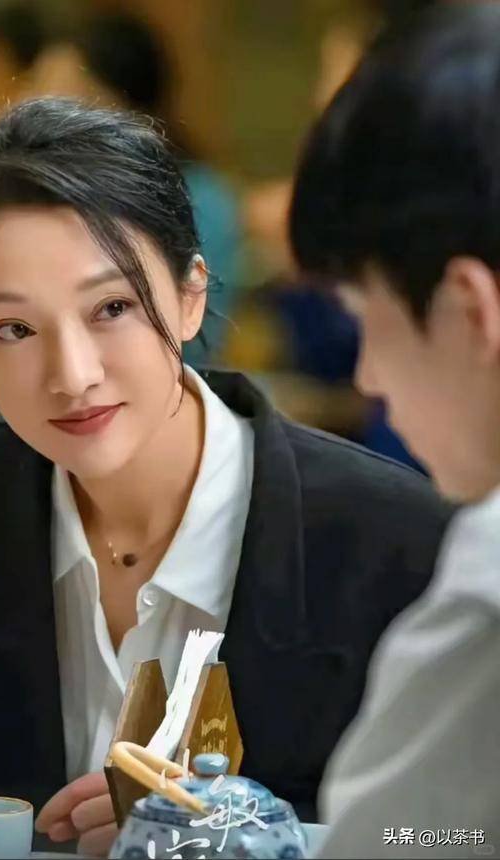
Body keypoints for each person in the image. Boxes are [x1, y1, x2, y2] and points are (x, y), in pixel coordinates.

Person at [0, 97, 452, 857]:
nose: (73, 375)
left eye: (111, 307)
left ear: (190, 295)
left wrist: (266, 835)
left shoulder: (397, 541)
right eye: (14, 329)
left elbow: (463, 832)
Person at [288, 3, 500, 856]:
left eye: (364, 316)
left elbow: (417, 839)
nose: (368, 376)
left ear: (468, 310)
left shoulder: (487, 602)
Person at [29, 12, 242, 368]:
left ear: (124, 106)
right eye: (37, 89)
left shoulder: (200, 197)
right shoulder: (28, 198)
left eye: (66, 96)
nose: (36, 114)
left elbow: (189, 336)